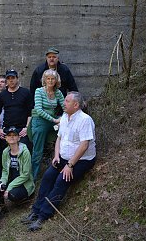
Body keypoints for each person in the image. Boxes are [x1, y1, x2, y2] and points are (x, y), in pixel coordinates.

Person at [22, 92, 96, 232]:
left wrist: (70, 165)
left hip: (81, 160)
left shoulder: (85, 120)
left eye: (67, 101)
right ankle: (35, 211)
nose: (64, 103)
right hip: (62, 158)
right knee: (47, 177)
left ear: (76, 105)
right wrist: (56, 156)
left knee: (61, 181)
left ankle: (43, 216)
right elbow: (59, 138)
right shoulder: (64, 118)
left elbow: (84, 145)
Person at [0, 127, 34, 220]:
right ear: (6, 138)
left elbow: (26, 175)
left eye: (14, 135)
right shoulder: (5, 152)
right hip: (11, 180)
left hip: (23, 183)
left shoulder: (25, 152)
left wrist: (9, 188)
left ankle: (25, 198)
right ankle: (3, 208)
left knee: (13, 195)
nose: (12, 137)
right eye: (9, 135)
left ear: (18, 138)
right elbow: (5, 170)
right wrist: (3, 182)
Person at [30, 69, 64, 181]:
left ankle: (58, 171)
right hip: (40, 121)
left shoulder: (58, 92)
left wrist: (62, 118)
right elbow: (39, 110)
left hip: (53, 122)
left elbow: (65, 107)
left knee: (62, 142)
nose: (50, 81)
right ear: (44, 80)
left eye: (52, 78)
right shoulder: (39, 91)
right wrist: (54, 120)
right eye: (48, 78)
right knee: (38, 151)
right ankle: (32, 179)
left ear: (56, 80)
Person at [0, 69, 32, 151]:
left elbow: (31, 112)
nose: (11, 80)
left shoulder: (26, 92)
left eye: (13, 78)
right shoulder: (2, 95)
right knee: (4, 154)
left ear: (17, 79)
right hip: (7, 130)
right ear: (6, 80)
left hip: (22, 130)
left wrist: (26, 128)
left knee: (24, 153)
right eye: (8, 78)